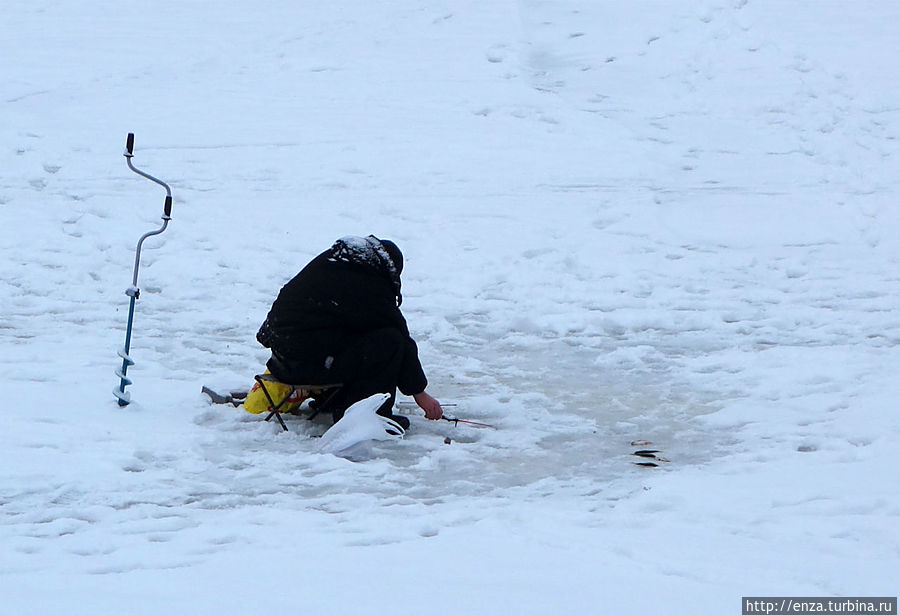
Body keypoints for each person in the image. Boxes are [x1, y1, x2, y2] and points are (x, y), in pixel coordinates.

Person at [256, 235, 442, 430]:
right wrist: (419, 392)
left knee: (354, 335)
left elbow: (268, 331)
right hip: (307, 370)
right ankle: (371, 416)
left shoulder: (332, 265)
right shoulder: (366, 280)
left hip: (282, 363)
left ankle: (334, 400)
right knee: (388, 341)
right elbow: (399, 334)